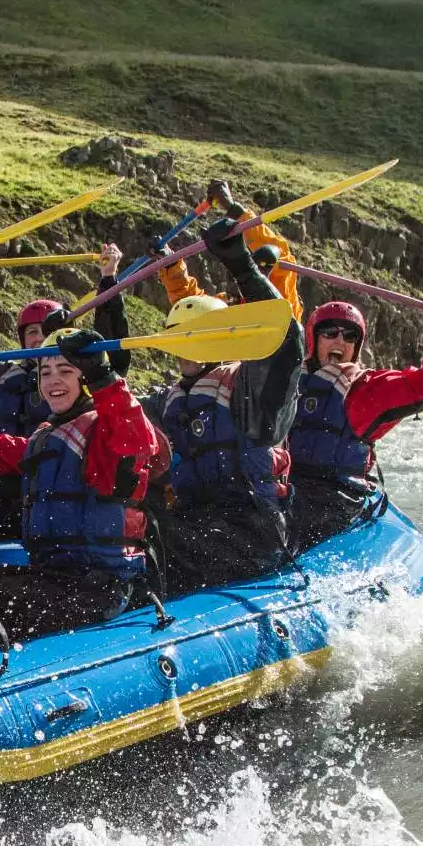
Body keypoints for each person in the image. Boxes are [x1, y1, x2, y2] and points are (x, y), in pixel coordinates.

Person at [137, 198, 310, 593]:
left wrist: (242, 265)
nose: (187, 348)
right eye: (181, 340)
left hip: (252, 526)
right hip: (197, 518)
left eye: (196, 340)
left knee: (165, 544)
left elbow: (285, 338)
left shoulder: (246, 386)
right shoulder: (169, 399)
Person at [0, 325, 165, 640]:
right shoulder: (44, 435)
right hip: (54, 576)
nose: (53, 379)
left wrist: (104, 377)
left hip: (101, 585)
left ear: (85, 380)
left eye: (65, 370)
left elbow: (137, 441)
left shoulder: (103, 431)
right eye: (46, 371)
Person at [0, 245, 130, 540]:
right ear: (20, 338)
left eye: (46, 331)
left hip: (60, 485)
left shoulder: (85, 375)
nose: (39, 338)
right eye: (31, 332)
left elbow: (109, 354)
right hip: (3, 488)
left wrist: (108, 280)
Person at [286, 289, 423, 549]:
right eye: (330, 333)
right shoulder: (284, 379)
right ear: (313, 339)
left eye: (350, 336)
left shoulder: (364, 390)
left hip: (335, 500)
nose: (340, 340)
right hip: (284, 491)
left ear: (357, 346)